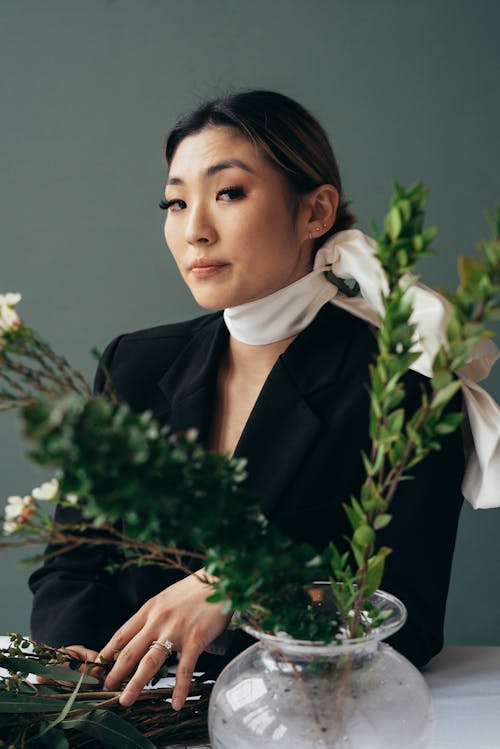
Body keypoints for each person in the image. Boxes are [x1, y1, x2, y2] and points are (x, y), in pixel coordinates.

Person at [29, 90, 466, 712]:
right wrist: (77, 663)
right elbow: (71, 567)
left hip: (304, 718)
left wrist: (242, 586)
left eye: (228, 193)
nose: (194, 229)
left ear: (316, 211)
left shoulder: (402, 387)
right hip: (136, 718)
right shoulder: (134, 364)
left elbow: (410, 619)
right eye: (175, 202)